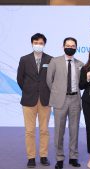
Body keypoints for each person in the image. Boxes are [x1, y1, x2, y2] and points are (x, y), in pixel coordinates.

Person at [47, 37, 84, 169]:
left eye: (73, 46)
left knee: (74, 130)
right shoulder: (55, 61)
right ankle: (59, 158)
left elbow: (82, 83)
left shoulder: (80, 64)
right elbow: (49, 80)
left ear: (76, 47)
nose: (70, 47)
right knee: (59, 131)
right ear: (63, 47)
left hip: (75, 100)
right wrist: (58, 93)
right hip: (60, 100)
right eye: (68, 45)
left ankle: (73, 157)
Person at [17, 33, 52, 168]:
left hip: (45, 99)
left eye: (41, 43)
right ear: (32, 43)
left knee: (44, 130)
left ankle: (43, 156)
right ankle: (31, 157)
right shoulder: (24, 59)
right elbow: (20, 79)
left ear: (44, 44)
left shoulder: (50, 59)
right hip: (28, 99)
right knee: (29, 131)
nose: (38, 45)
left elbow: (52, 79)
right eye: (36, 42)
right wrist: (28, 90)